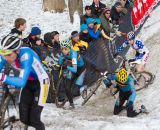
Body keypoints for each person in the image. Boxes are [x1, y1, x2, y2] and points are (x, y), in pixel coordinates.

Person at [0, 34, 49, 130]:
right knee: (24, 118)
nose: (6, 58)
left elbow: (21, 82)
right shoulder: (6, 56)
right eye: (3, 54)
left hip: (41, 82)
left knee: (34, 119)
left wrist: (3, 78)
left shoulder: (26, 55)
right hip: (28, 82)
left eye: (9, 55)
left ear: (17, 51)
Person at [58, 39, 86, 108]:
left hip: (79, 68)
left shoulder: (73, 54)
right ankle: (71, 104)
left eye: (66, 49)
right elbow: (60, 63)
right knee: (67, 87)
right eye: (62, 49)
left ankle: (81, 88)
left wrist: (66, 66)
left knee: (74, 84)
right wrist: (61, 59)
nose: (64, 50)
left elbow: (74, 70)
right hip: (71, 65)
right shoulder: (63, 53)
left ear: (69, 48)